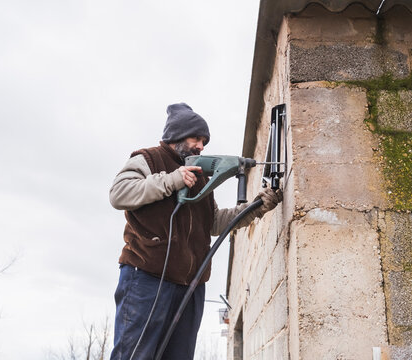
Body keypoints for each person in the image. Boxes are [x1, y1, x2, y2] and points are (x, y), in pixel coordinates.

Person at [108, 103, 283, 360]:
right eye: (195, 138)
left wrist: (256, 207)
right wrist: (172, 180)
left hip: (190, 286)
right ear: (175, 135)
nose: (201, 146)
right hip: (146, 278)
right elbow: (118, 194)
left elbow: (213, 222)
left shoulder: (199, 174)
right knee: (134, 355)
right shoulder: (148, 159)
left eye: (204, 141)